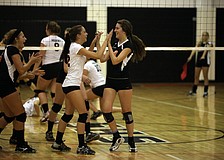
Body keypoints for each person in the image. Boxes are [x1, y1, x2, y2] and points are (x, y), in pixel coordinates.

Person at [51, 25, 111, 155]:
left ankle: (57, 142)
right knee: (83, 114)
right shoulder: (76, 47)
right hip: (72, 85)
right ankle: (81, 146)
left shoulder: (74, 47)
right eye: (84, 32)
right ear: (78, 35)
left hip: (70, 84)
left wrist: (95, 41)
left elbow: (87, 57)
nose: (86, 33)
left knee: (68, 115)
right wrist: (107, 40)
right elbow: (97, 55)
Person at [100, 19, 146, 152]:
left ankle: (131, 141)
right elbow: (102, 58)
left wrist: (109, 44)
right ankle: (116, 136)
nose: (114, 30)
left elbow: (115, 61)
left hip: (123, 82)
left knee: (127, 113)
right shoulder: (114, 43)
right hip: (110, 81)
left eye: (117, 28)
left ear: (124, 31)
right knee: (106, 109)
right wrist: (102, 41)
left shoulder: (128, 46)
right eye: (115, 28)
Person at [0, 29, 43, 153]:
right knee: (20, 114)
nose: (25, 39)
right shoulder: (12, 50)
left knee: (9, 116)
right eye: (23, 36)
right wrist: (31, 62)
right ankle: (20, 144)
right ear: (16, 39)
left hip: (5, 85)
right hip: (6, 85)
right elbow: (20, 70)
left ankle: (20, 143)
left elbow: (19, 75)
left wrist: (32, 73)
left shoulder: (11, 50)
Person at [35, 21, 65, 122]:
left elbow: (41, 55)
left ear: (48, 29)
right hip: (59, 66)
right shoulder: (62, 41)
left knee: (40, 90)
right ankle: (54, 116)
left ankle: (46, 112)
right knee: (54, 92)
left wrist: (35, 69)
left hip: (48, 66)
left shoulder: (45, 40)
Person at [187, 31, 213, 97]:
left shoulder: (210, 43)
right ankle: (194, 91)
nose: (204, 36)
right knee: (196, 77)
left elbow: (206, 49)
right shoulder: (199, 43)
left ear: (208, 36)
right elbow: (195, 49)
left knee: (205, 77)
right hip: (198, 61)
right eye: (203, 35)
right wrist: (190, 56)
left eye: (205, 35)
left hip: (205, 61)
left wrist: (203, 56)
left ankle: (205, 92)